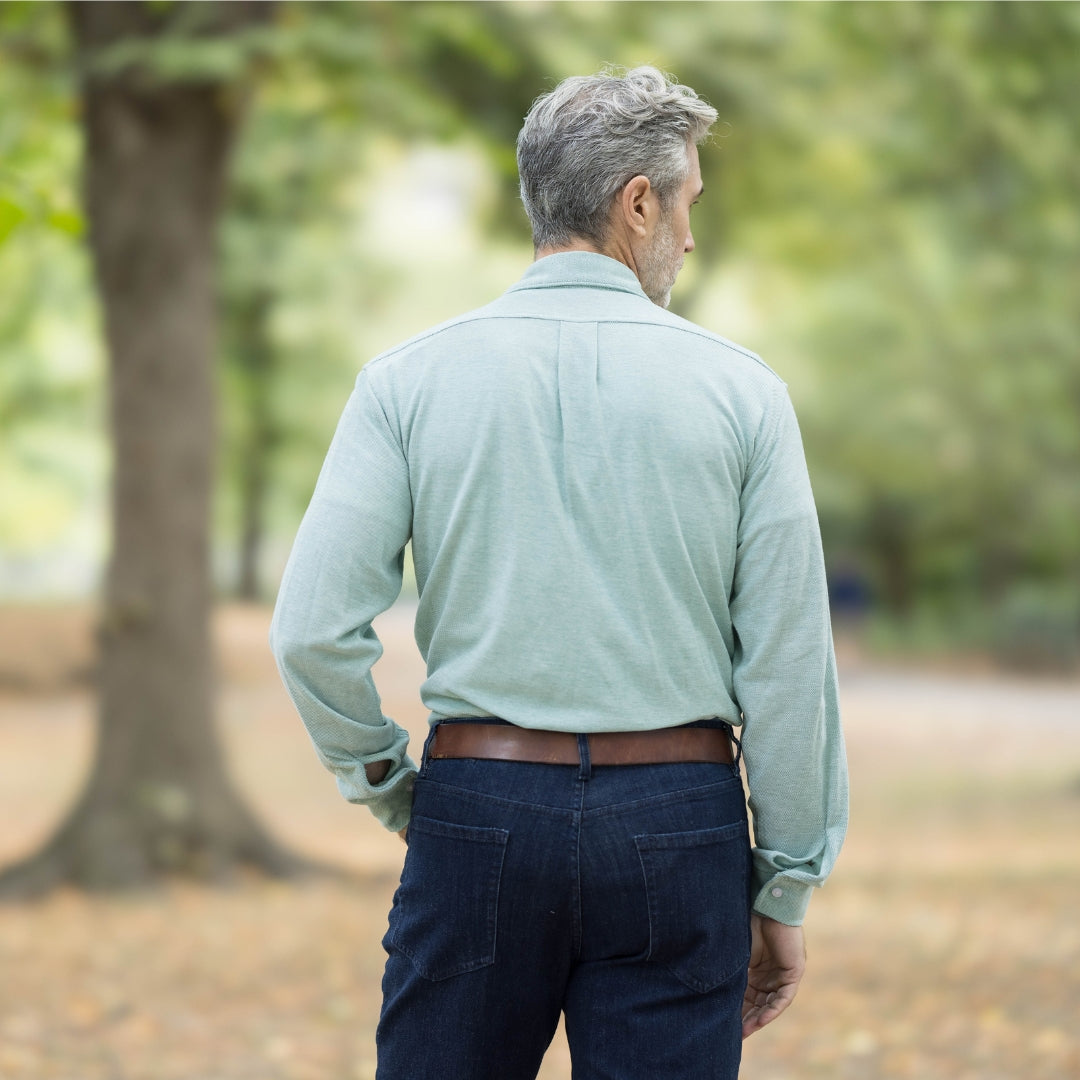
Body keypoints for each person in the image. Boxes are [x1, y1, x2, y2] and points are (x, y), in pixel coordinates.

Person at [270, 66, 848, 1080]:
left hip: (477, 807)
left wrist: (399, 792)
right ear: (638, 202)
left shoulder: (406, 383)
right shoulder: (745, 396)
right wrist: (784, 888)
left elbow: (312, 630)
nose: (691, 237)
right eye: (689, 206)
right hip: (680, 824)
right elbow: (789, 670)